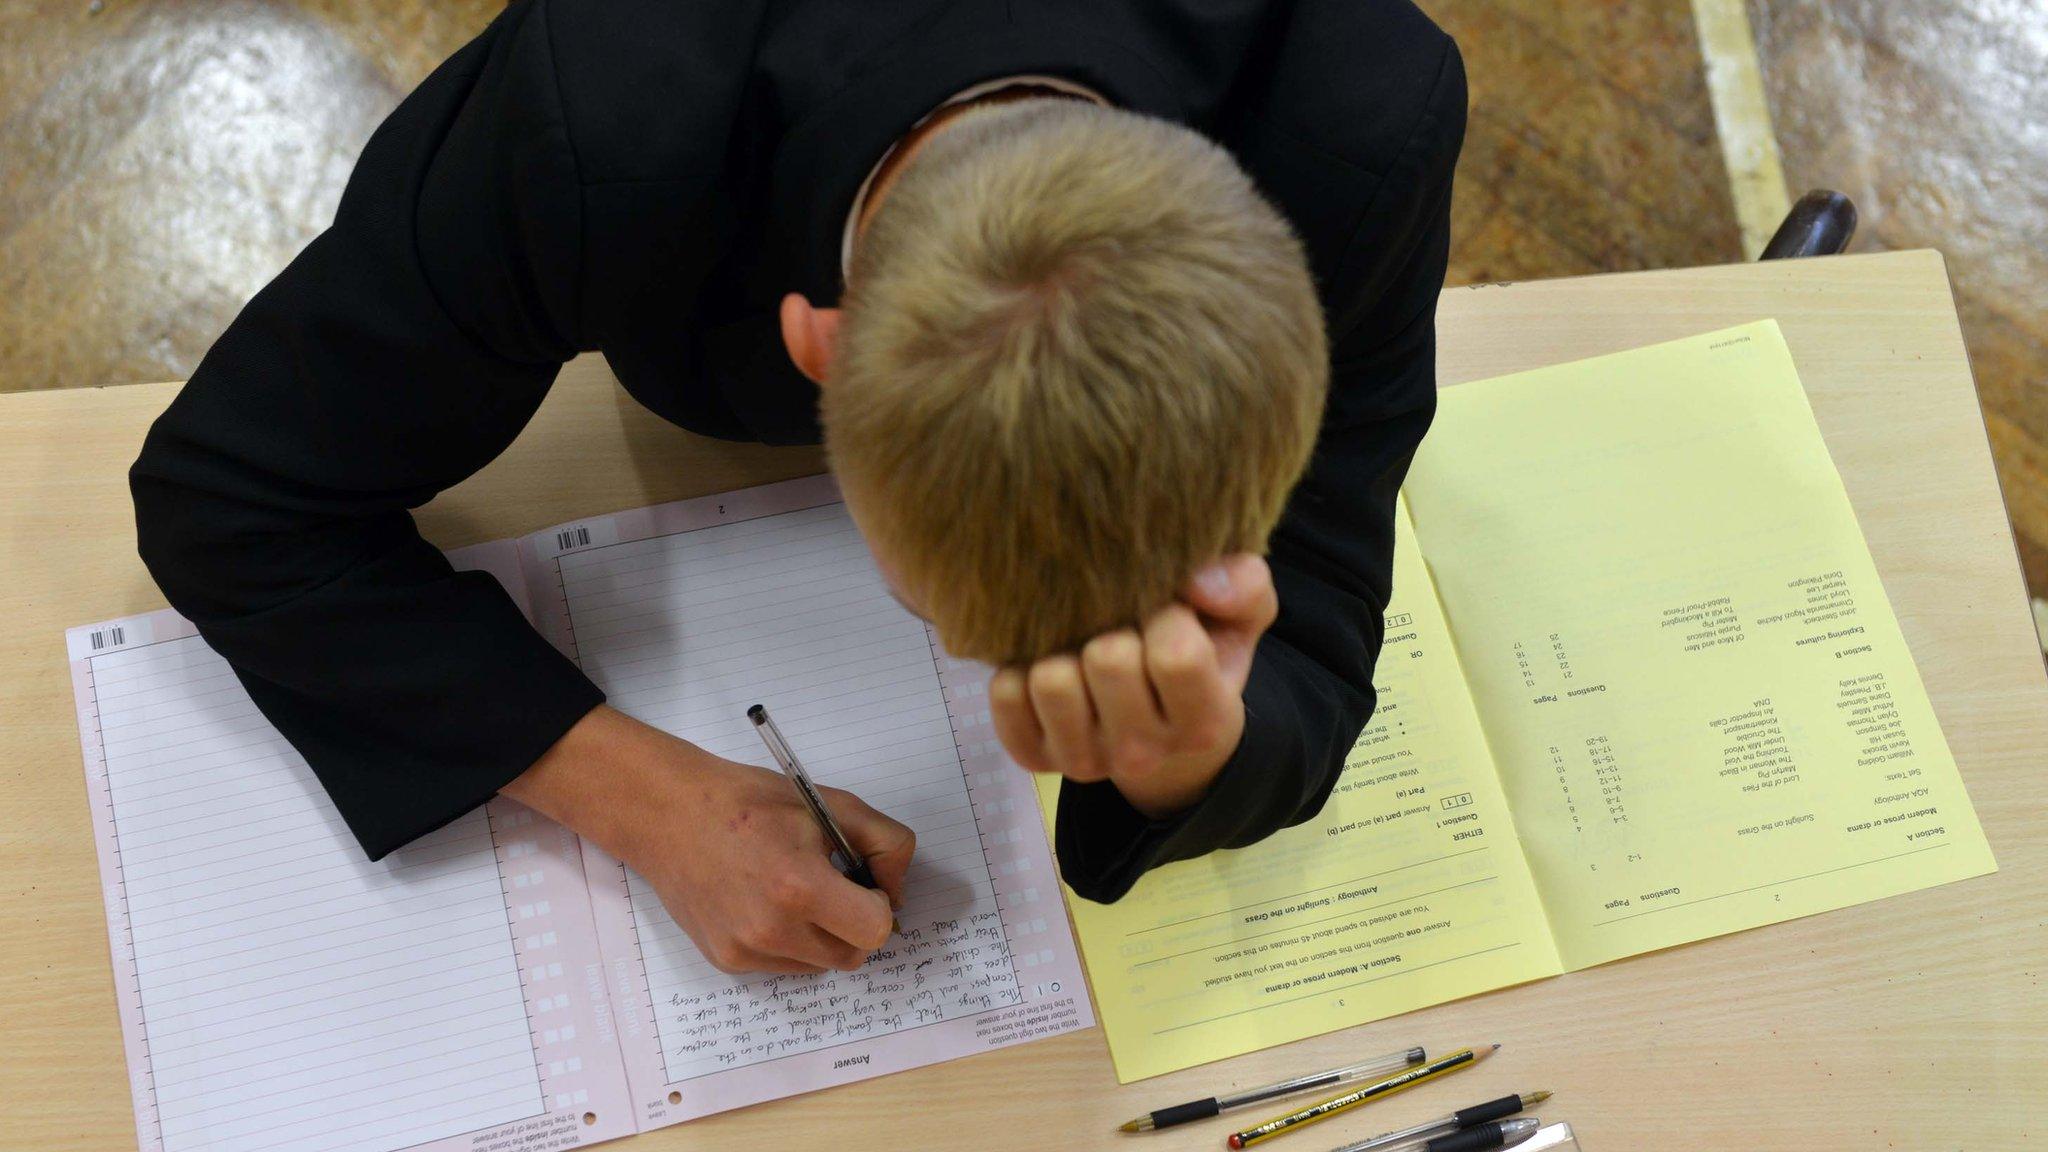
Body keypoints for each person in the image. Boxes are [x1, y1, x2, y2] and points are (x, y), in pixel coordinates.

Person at [129, 0, 1466, 978]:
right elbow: (231, 495)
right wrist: (635, 793)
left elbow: (1327, 585)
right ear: (815, 347)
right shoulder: (600, 113)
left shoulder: (1357, 117)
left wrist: (1208, 749)